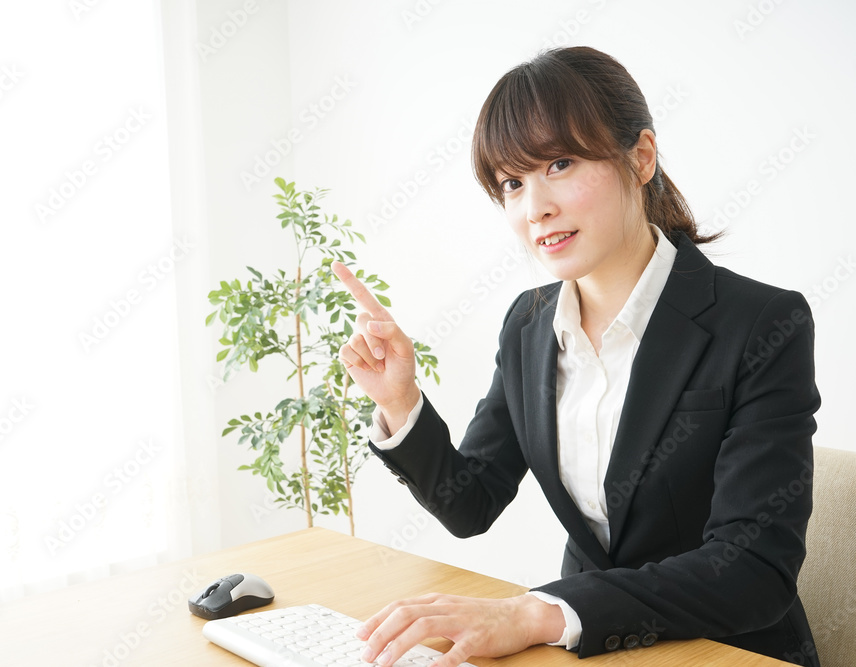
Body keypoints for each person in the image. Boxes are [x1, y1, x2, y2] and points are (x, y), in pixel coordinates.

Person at [332, 46, 821, 667]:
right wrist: (398, 400)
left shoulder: (760, 324)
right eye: (512, 183)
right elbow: (469, 502)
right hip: (586, 650)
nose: (534, 207)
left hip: (726, 652)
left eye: (559, 164)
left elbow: (753, 572)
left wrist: (539, 610)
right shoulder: (529, 324)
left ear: (640, 159)